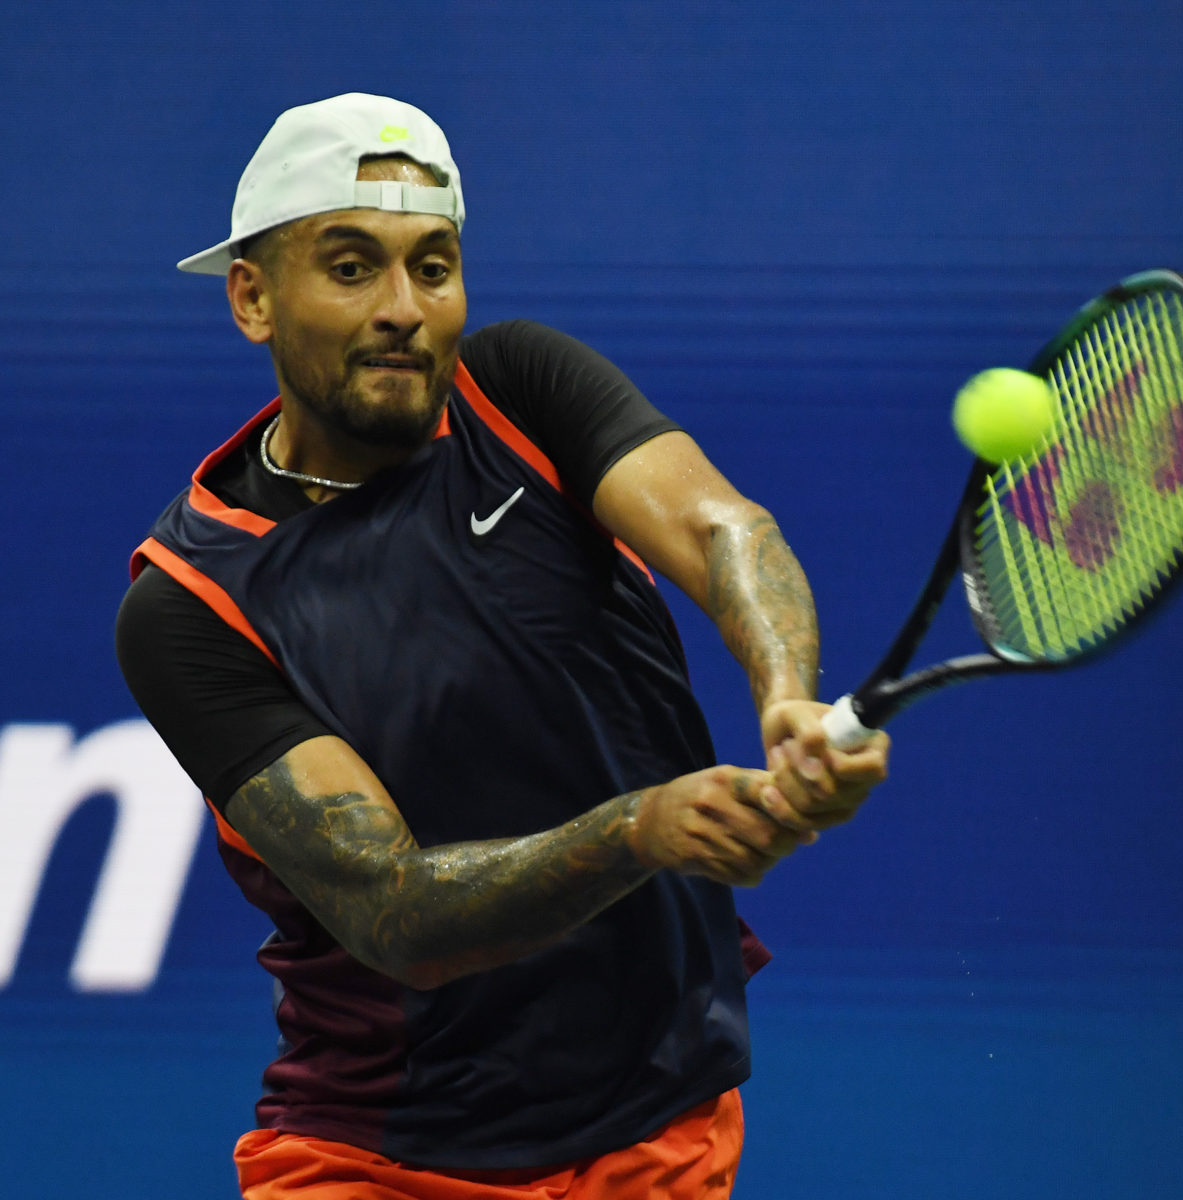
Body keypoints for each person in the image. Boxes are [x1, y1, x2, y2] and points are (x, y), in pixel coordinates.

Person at [115, 93, 890, 1200]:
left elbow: (724, 531)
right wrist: (639, 829)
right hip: (383, 1156)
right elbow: (394, 909)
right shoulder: (192, 606)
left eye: (432, 267)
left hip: (654, 1123)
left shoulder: (520, 391)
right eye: (351, 267)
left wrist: (786, 696)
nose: (404, 309)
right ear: (253, 297)